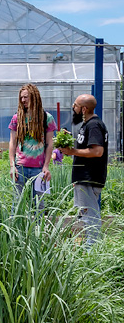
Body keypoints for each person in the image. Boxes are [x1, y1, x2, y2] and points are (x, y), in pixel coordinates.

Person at [58, 94, 108, 246]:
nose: (73, 108)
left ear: (84, 109)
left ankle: (91, 250)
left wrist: (72, 151)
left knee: (90, 216)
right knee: (86, 214)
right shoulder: (88, 125)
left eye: (76, 105)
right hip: (84, 178)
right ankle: (89, 246)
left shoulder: (94, 125)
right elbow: (86, 146)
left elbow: (97, 151)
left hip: (89, 177)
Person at [8, 84, 57, 197]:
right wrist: (12, 166)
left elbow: (50, 143)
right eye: (21, 97)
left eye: (26, 97)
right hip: (20, 168)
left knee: (39, 204)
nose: (23, 100)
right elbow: (12, 142)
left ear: (34, 97)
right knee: (18, 203)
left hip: (39, 169)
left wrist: (46, 166)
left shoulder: (46, 118)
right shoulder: (17, 118)